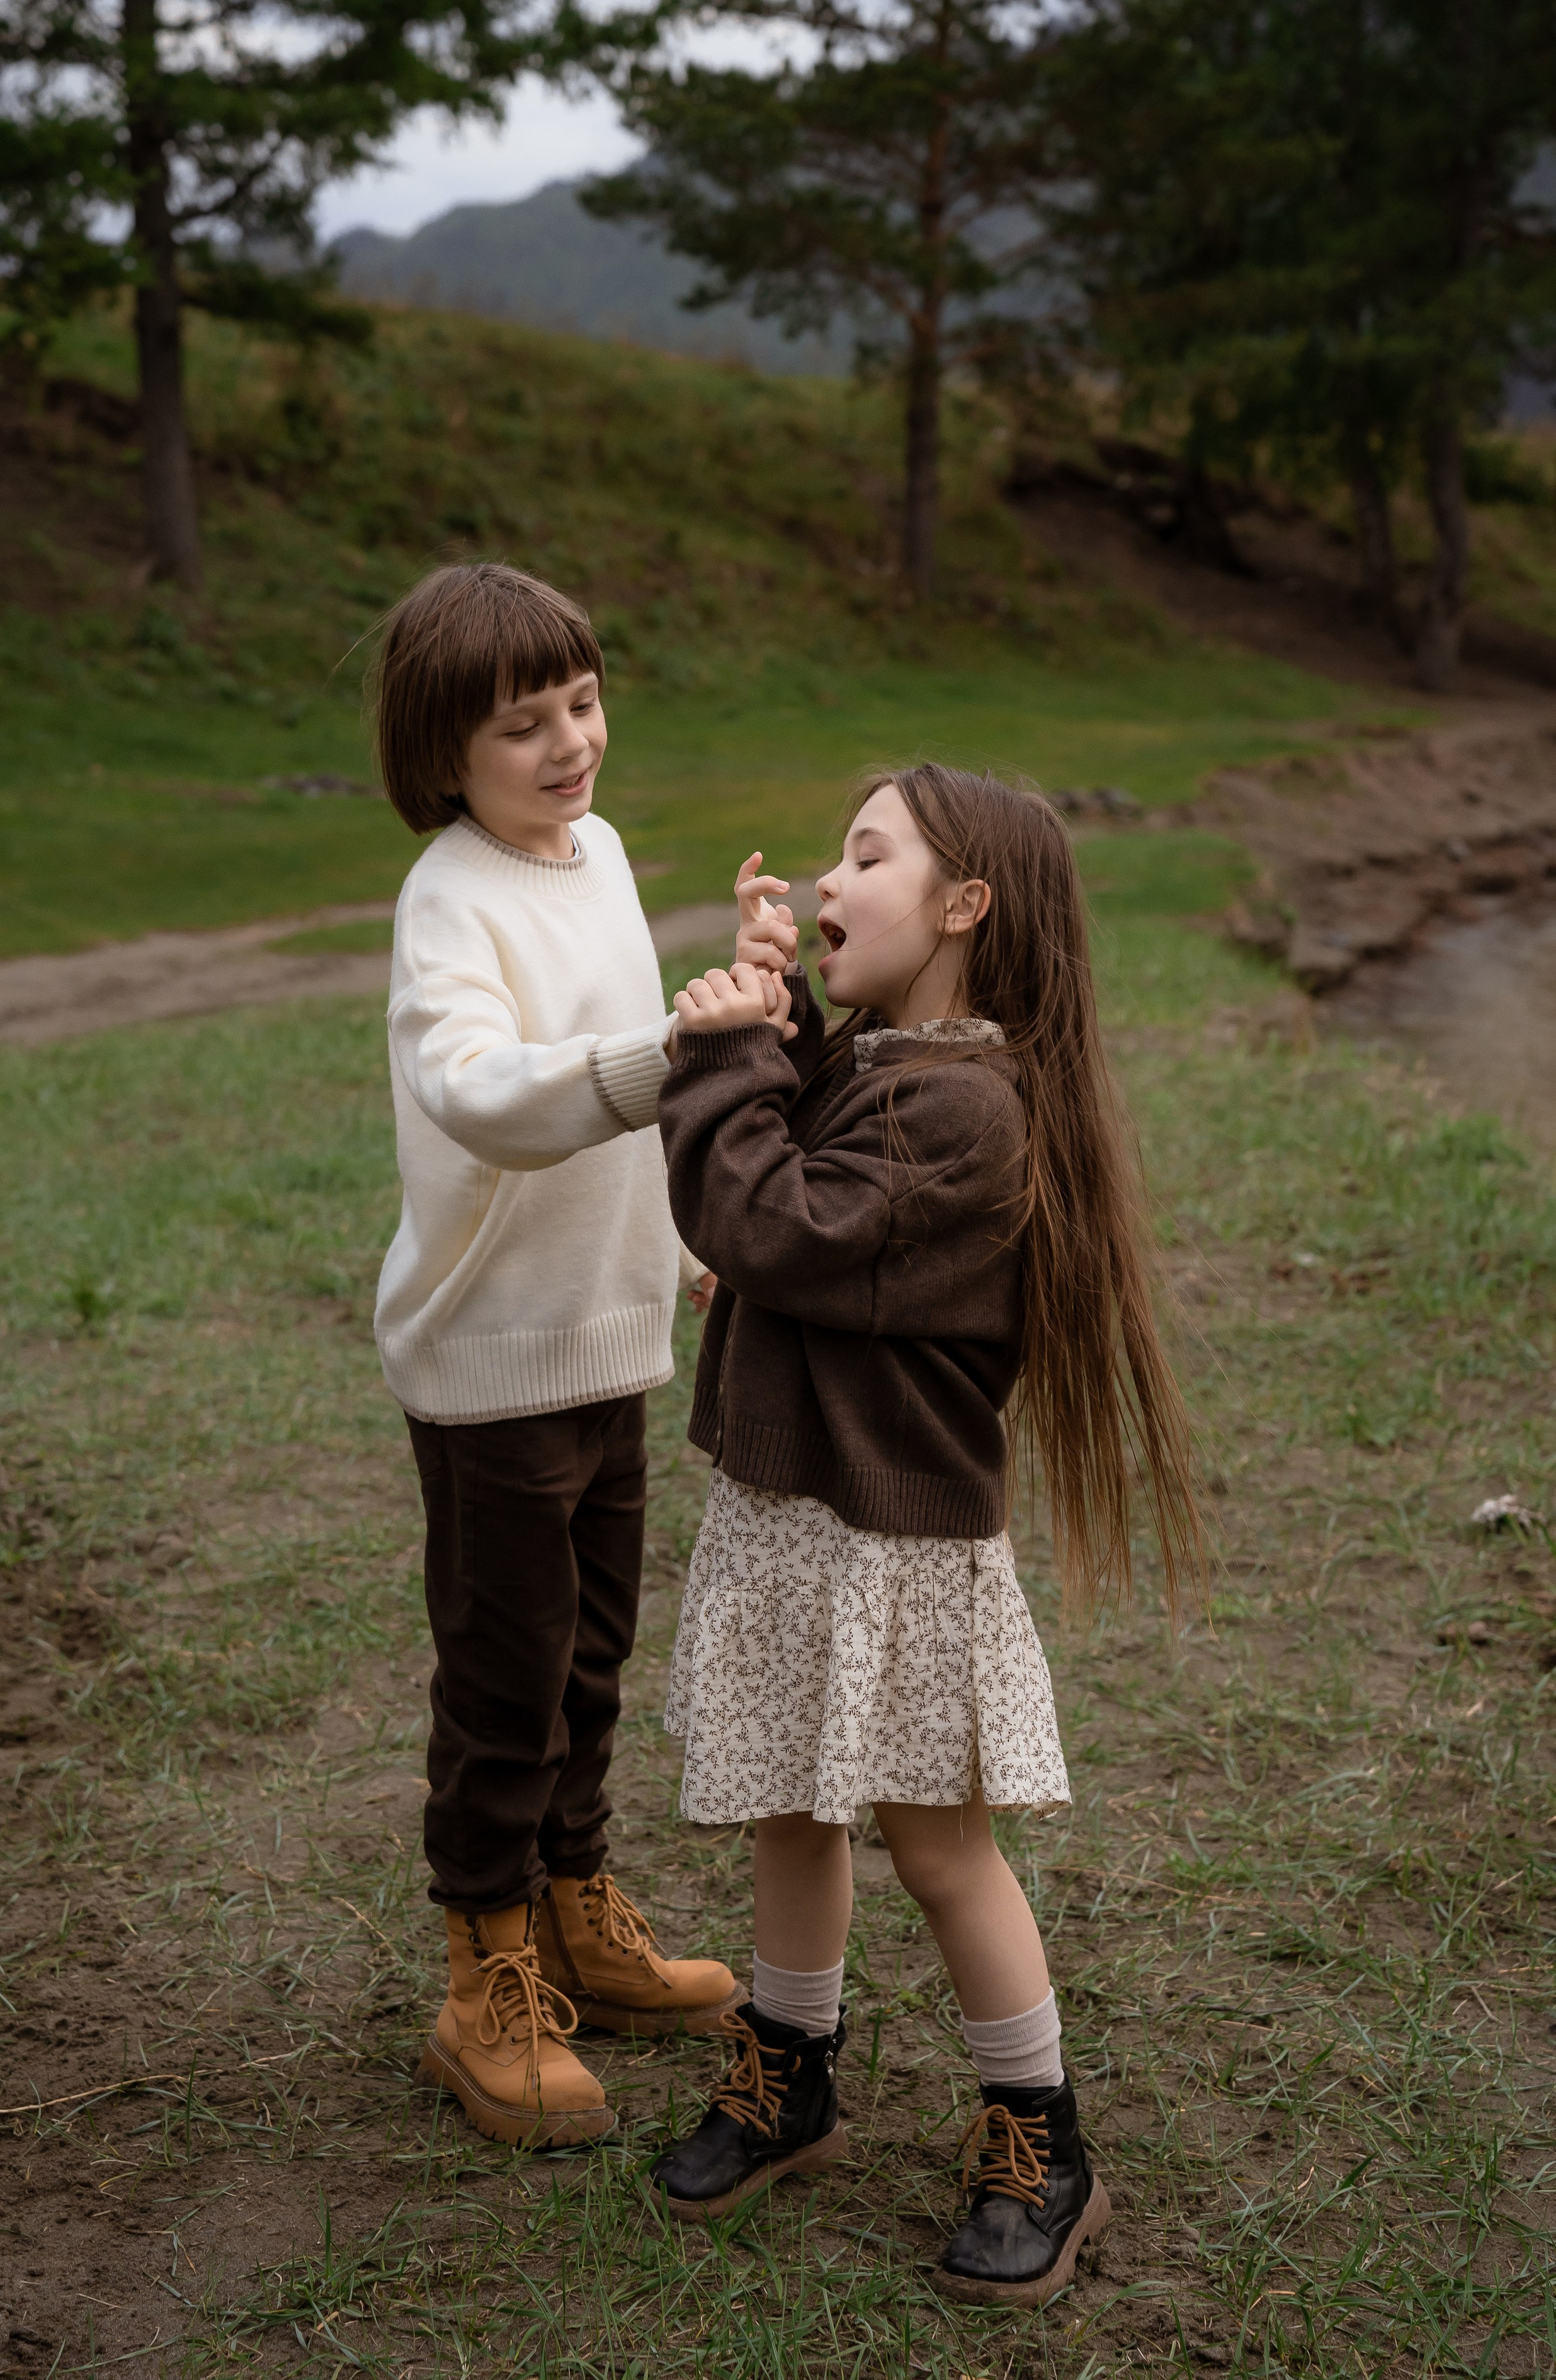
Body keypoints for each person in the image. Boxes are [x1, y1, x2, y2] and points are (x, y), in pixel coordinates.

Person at [649, 763, 1203, 2306]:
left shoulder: (965, 1105)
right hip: (798, 1514)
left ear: (962, 904)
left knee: (939, 1845)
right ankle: (787, 2070)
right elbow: (812, 1200)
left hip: (893, 1541)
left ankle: (1039, 2133)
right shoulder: (896, 1062)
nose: (827, 879)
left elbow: (783, 1222)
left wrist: (725, 1054)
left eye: (864, 855)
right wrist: (779, 1019)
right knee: (788, 1805)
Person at [372, 561, 741, 2153]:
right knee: (504, 1675)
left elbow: (627, 1117)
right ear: (442, 754)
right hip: (493, 1360)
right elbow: (485, 1093)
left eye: (581, 704)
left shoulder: (598, 856)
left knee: (590, 1655)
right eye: (522, 725)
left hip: (609, 1340)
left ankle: (578, 1907)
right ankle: (485, 1973)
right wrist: (665, 1053)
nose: (569, 743)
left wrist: (681, 1239)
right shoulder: (449, 896)